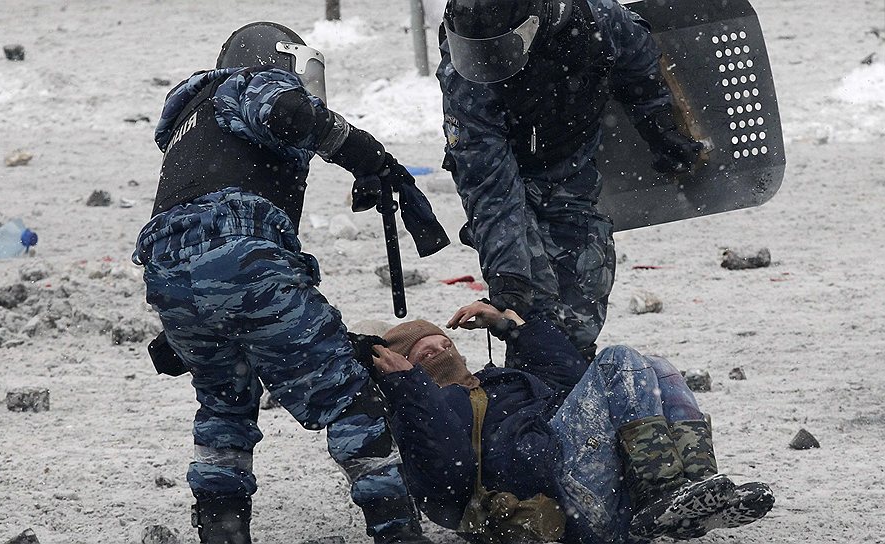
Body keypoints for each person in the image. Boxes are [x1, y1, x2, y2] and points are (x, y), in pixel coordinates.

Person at [132, 22, 448, 544]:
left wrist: (198, 318)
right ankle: (397, 531)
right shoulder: (242, 86)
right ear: (276, 60)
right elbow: (290, 114)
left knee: (224, 407)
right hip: (243, 259)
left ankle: (222, 527)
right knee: (350, 400)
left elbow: (186, 230)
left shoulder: (190, 124)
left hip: (170, 279)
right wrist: (372, 159)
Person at [359, 301, 773, 543]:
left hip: (592, 478)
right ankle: (663, 493)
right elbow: (443, 475)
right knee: (618, 359)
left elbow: (567, 377)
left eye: (441, 341)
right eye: (421, 353)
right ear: (408, 370)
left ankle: (697, 492)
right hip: (563, 500)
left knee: (658, 369)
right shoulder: (424, 413)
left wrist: (511, 327)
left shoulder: (501, 380)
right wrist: (407, 389)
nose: (436, 349)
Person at [437, 0, 704, 357]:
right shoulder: (468, 81)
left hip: (571, 168)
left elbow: (638, 61)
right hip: (507, 171)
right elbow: (491, 192)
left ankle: (569, 383)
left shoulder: (598, 20)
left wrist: (658, 125)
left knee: (580, 314)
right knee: (533, 315)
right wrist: (508, 286)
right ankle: (533, 391)